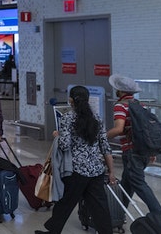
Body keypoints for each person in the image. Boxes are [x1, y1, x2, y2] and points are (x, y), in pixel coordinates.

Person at [36, 85, 116, 234]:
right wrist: (111, 171)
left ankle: (53, 231)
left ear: (70, 100)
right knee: (99, 206)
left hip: (76, 171)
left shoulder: (68, 118)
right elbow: (105, 146)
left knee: (65, 203)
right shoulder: (97, 119)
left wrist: (57, 136)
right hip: (96, 170)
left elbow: (65, 145)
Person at [105, 74, 161, 214]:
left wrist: (101, 137)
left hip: (131, 152)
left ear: (119, 91)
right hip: (143, 150)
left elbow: (119, 129)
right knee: (127, 184)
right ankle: (118, 214)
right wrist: (151, 151)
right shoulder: (140, 105)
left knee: (138, 183)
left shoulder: (120, 106)